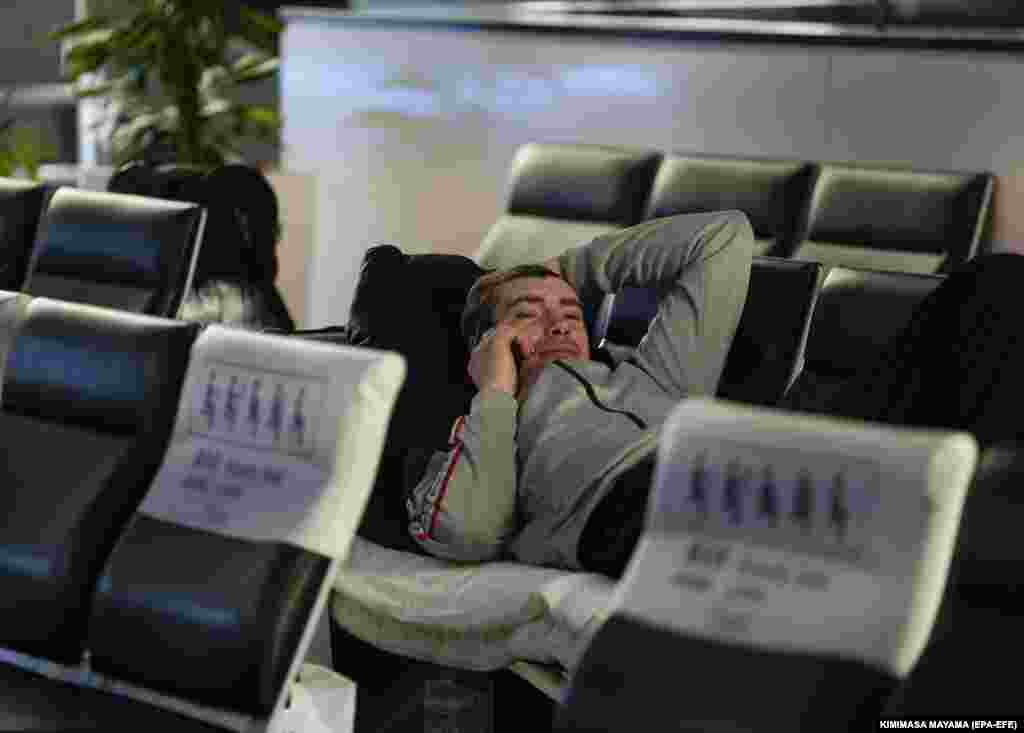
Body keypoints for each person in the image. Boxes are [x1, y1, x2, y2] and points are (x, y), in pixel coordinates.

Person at [406, 211, 756, 576]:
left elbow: (722, 236)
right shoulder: (487, 435)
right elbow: (465, 532)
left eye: (572, 316)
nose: (558, 326)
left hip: (736, 466)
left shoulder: (657, 377)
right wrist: (496, 392)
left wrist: (568, 268)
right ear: (486, 343)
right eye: (528, 315)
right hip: (634, 502)